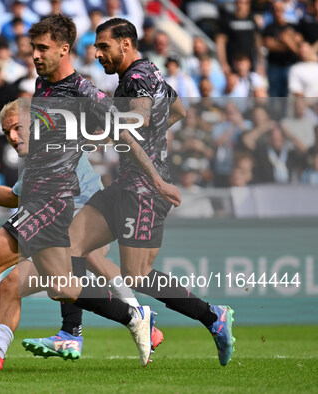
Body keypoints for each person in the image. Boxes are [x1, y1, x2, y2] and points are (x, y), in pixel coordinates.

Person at [0, 14, 180, 375]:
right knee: (63, 288)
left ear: (65, 49)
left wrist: (156, 182)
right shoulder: (42, 85)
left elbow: (125, 132)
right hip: (44, 199)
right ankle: (133, 315)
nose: (35, 55)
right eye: (33, 48)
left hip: (52, 201)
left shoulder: (83, 91)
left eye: (43, 48)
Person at [0, 100, 164, 371]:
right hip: (68, 230)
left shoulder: (55, 150)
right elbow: (14, 197)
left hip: (84, 225)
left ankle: (133, 319)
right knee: (11, 285)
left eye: (18, 128)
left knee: (75, 268)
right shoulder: (39, 157)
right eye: (7, 132)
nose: (12, 137)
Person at [78, 17, 234, 366]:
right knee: (70, 246)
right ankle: (72, 333)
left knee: (137, 275)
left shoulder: (136, 79)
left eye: (104, 46)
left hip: (145, 190)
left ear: (125, 44)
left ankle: (211, 316)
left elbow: (139, 120)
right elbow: (177, 110)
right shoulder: (150, 75)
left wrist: (103, 122)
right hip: (126, 185)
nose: (97, 53)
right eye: (96, 47)